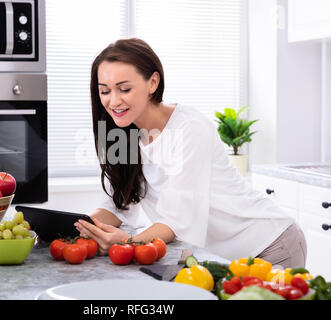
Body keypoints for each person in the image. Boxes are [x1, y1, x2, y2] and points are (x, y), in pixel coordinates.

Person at [74, 38, 307, 268]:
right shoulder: (121, 133)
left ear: (153, 83)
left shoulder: (190, 128)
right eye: (104, 91)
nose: (113, 100)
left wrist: (127, 243)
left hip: (268, 246)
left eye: (124, 89)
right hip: (219, 259)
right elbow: (117, 204)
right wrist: (78, 229)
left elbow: (177, 220)